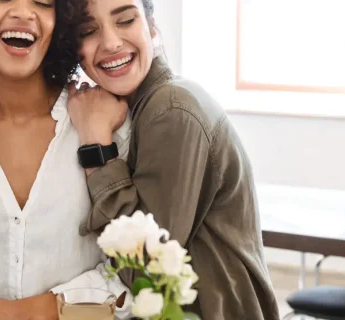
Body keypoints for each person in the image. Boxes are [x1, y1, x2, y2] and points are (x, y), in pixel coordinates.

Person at [66, 0, 280, 318]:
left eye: (125, 20)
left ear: (151, 26)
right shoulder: (148, 105)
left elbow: (145, 272)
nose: (110, 42)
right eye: (88, 30)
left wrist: (96, 143)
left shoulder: (171, 108)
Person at [0, 0, 134, 319]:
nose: (24, 11)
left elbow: (131, 288)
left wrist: (32, 312)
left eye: (43, 2)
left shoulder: (106, 123)